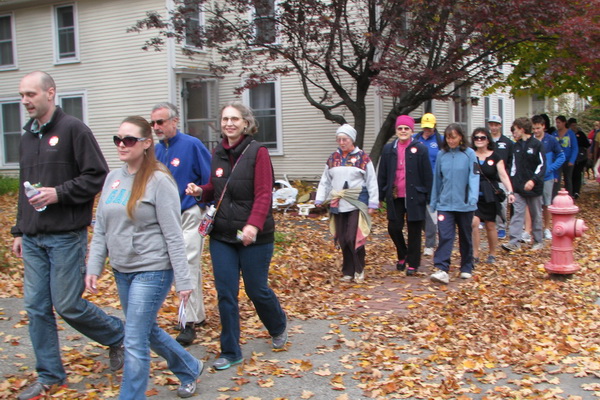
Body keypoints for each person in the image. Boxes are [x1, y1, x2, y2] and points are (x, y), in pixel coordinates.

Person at [11, 71, 125, 400]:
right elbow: (23, 189)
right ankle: (50, 375)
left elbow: (98, 176)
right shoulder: (27, 137)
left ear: (50, 93)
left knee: (67, 305)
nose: (25, 101)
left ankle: (118, 333)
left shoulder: (74, 130)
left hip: (65, 236)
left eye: (31, 94)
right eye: (21, 95)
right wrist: (19, 229)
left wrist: (58, 194)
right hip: (32, 238)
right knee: (35, 307)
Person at [85, 116, 203, 399]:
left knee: (134, 339)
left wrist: (184, 281)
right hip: (122, 269)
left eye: (129, 140)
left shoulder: (159, 180)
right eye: (118, 140)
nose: (121, 145)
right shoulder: (113, 178)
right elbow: (101, 227)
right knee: (146, 330)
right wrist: (93, 266)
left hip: (153, 269)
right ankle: (189, 365)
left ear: (146, 143)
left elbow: (174, 234)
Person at [185, 102, 287, 371]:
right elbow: (217, 189)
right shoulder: (217, 152)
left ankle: (277, 324)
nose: (229, 123)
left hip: (255, 235)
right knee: (226, 294)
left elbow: (264, 193)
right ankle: (230, 351)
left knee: (256, 290)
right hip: (222, 235)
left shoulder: (258, 152)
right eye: (225, 119)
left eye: (235, 119)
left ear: (245, 123)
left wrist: (253, 226)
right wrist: (200, 191)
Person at [151, 102, 211, 345]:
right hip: (166, 218)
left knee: (186, 265)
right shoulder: (154, 151)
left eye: (161, 122)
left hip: (189, 214)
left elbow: (209, 179)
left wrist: (203, 204)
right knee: (184, 266)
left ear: (175, 121)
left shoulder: (192, 145)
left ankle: (187, 322)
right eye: (153, 123)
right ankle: (198, 315)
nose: (156, 127)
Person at [315, 124, 379, 283]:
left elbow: (371, 181)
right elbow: (325, 181)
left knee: (353, 236)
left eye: (345, 139)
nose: (342, 142)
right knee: (342, 238)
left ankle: (359, 269)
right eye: (339, 139)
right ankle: (348, 271)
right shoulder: (333, 158)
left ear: (352, 140)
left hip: (357, 202)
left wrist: (373, 203)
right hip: (338, 203)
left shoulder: (362, 158)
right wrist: (320, 198)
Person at [378, 115, 432, 276]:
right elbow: (382, 174)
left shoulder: (420, 148)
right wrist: (380, 196)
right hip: (395, 195)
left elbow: (427, 174)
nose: (403, 131)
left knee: (414, 230)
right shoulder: (388, 149)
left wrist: (429, 196)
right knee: (394, 227)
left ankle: (413, 263)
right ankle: (403, 254)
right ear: (396, 130)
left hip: (415, 196)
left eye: (406, 128)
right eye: (400, 128)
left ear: (411, 130)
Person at [429, 123, 479, 284]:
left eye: (454, 137)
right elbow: (437, 179)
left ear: (461, 137)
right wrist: (434, 201)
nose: (451, 141)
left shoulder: (470, 154)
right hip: (445, 204)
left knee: (465, 235)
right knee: (445, 235)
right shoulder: (441, 155)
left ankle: (466, 266)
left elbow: (474, 176)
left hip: (464, 204)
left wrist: (472, 197)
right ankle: (442, 268)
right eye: (448, 138)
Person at [470, 128, 515, 265]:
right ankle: (475, 254)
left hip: (490, 195)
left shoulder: (495, 156)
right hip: (474, 195)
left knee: (490, 225)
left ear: (487, 140)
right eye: (476, 137)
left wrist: (510, 192)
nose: (479, 140)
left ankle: (492, 253)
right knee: (474, 223)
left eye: (482, 138)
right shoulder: (470, 155)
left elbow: (503, 175)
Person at [502, 117, 546, 253]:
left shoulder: (537, 145)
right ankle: (514, 242)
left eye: (514, 130)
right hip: (519, 188)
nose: (513, 133)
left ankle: (538, 240)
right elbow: (513, 168)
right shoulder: (516, 147)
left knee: (536, 214)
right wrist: (513, 187)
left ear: (521, 129)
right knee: (517, 214)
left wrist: (533, 180)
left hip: (535, 188)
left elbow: (542, 165)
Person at [412, 112, 442, 256]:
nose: (427, 130)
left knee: (431, 212)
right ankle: (431, 235)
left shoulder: (440, 141)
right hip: (418, 181)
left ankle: (430, 244)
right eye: (425, 127)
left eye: (429, 128)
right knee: (420, 213)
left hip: (434, 181)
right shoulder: (416, 139)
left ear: (434, 127)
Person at [531, 115, 565, 240]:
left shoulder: (551, 140)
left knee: (546, 203)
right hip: (533, 178)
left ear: (543, 127)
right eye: (534, 128)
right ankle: (534, 228)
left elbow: (561, 157)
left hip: (547, 177)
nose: (536, 131)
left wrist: (550, 168)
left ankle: (546, 228)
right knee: (534, 204)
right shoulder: (530, 141)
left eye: (538, 128)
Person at [487, 115, 514, 239]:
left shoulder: (507, 142)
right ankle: (489, 223)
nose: (493, 127)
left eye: (495, 124)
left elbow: (510, 160)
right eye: (491, 124)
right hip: (488, 178)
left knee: (502, 204)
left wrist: (507, 173)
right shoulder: (486, 140)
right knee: (488, 202)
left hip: (501, 178)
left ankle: (502, 226)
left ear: (500, 125)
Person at [553, 115, 578, 197]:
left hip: (568, 160)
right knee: (557, 179)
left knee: (568, 179)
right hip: (557, 160)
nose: (557, 124)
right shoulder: (554, 134)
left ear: (564, 123)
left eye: (559, 122)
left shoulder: (570, 133)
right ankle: (555, 197)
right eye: (556, 123)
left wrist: (572, 160)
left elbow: (575, 148)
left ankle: (569, 197)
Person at [568, 118, 590, 199]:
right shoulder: (568, 134)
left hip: (580, 158)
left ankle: (576, 191)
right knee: (571, 175)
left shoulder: (581, 134)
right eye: (572, 125)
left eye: (575, 125)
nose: (574, 127)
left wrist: (588, 155)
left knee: (577, 174)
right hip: (571, 158)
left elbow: (587, 145)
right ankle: (570, 191)